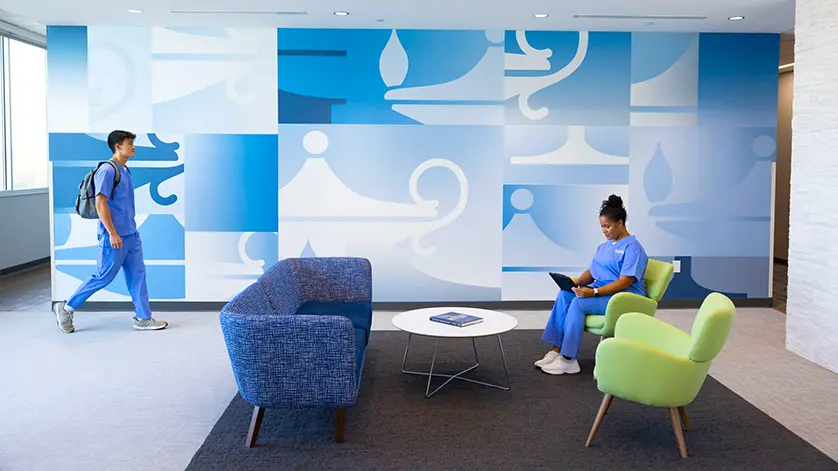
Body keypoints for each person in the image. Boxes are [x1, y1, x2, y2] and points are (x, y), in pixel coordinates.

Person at [53, 130, 168, 333]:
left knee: (138, 275)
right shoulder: (107, 170)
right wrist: (113, 233)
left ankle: (143, 317)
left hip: (131, 234)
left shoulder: (124, 170)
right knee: (103, 276)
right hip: (114, 236)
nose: (133, 147)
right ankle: (66, 307)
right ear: (118, 146)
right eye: (130, 143)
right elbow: (100, 203)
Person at [534, 194, 648, 375]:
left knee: (578, 303)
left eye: (607, 226)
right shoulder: (604, 246)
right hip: (602, 292)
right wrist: (576, 283)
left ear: (620, 223)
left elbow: (625, 281)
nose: (604, 231)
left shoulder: (633, 248)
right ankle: (556, 351)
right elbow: (593, 271)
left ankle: (568, 360)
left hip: (624, 296)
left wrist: (593, 292)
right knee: (565, 295)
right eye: (602, 227)